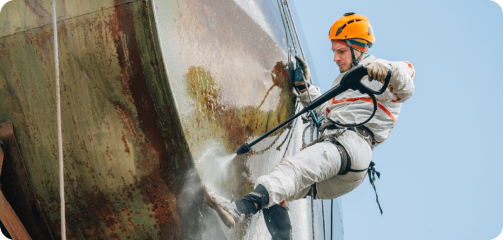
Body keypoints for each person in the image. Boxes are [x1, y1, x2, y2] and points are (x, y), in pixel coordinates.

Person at [203, 12, 415, 239]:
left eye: (341, 51)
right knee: (279, 191)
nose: (335, 58)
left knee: (288, 172)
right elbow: (321, 110)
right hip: (348, 165)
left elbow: (407, 83)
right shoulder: (345, 85)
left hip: (350, 146)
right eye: (334, 51)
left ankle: (237, 210)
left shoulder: (378, 71)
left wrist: (389, 71)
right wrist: (304, 87)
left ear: (359, 48)